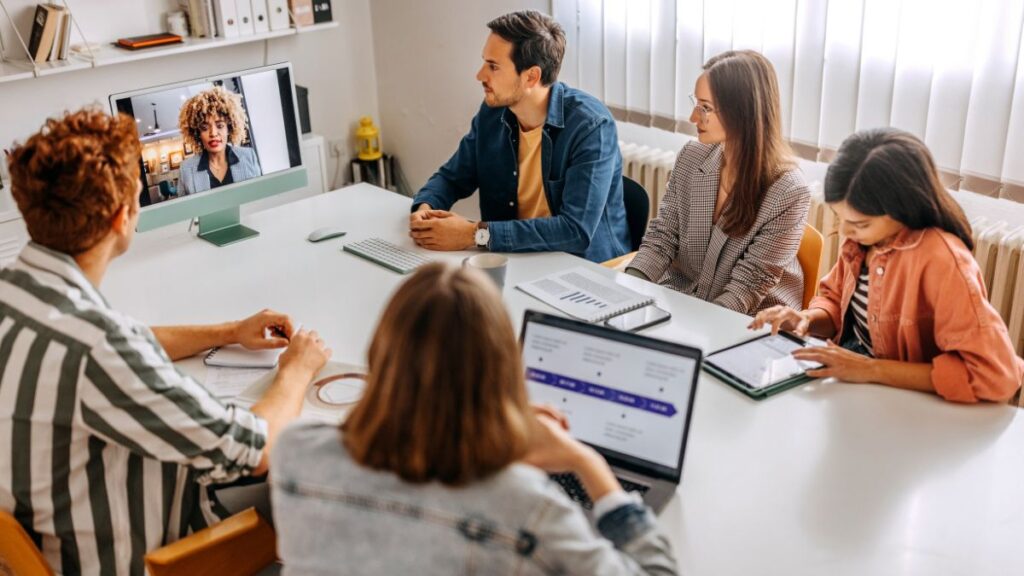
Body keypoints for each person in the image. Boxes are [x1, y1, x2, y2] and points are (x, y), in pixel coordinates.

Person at [0, 108, 330, 575]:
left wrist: (229, 331)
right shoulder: (100, 349)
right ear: (122, 217)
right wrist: (297, 367)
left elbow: (125, 339)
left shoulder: (18, 292)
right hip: (143, 560)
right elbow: (256, 451)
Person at [271, 263, 677, 575]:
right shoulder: (530, 508)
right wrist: (586, 461)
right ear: (503, 375)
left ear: (381, 356)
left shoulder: (295, 451)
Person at [750, 128, 1023, 402]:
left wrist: (870, 369)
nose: (845, 230)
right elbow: (834, 301)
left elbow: (996, 376)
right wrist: (807, 320)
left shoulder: (943, 261)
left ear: (903, 208)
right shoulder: (864, 243)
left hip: (908, 403)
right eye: (839, 217)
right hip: (854, 385)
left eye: (860, 224)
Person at [408, 10, 630, 264]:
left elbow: (575, 231)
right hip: (516, 259)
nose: (480, 75)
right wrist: (424, 208)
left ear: (531, 77)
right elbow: (452, 178)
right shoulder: (492, 113)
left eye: (493, 66)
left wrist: (475, 234)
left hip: (586, 268)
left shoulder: (591, 126)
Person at [626, 50, 809, 315]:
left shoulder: (788, 191)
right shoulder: (692, 157)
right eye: (696, 103)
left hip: (750, 320)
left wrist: (689, 331)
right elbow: (662, 238)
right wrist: (625, 288)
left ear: (743, 112)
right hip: (685, 301)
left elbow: (748, 286)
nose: (693, 118)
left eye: (706, 108)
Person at [177, 86, 262, 195]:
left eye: (220, 125)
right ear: (197, 133)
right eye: (204, 128)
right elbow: (184, 210)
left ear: (229, 128)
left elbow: (259, 196)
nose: (213, 133)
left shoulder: (249, 156)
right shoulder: (186, 170)